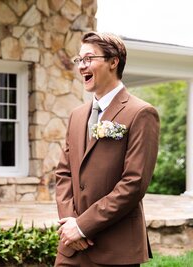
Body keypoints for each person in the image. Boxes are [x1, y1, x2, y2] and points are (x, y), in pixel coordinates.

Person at [54, 32, 160, 266]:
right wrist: (71, 224)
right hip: (71, 249)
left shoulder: (141, 113)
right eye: (79, 60)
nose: (82, 66)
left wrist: (83, 226)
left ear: (114, 62)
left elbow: (133, 184)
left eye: (89, 58)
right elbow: (63, 174)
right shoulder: (77, 115)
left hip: (116, 249)